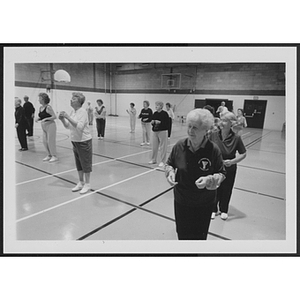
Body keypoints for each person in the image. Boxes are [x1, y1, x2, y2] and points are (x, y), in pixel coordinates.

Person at [165, 108, 226, 240]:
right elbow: (169, 164)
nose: (190, 131)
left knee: (199, 237)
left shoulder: (213, 149)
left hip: (204, 203)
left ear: (205, 130)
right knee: (182, 234)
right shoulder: (179, 146)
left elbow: (222, 173)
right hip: (182, 200)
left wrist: (209, 179)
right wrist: (169, 172)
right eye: (189, 126)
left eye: (195, 128)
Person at [209, 112, 247, 220]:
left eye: (225, 121)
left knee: (226, 189)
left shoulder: (236, 138)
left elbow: (243, 154)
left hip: (229, 168)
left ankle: (224, 209)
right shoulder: (213, 134)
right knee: (214, 187)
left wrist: (232, 161)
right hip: (215, 167)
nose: (221, 122)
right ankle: (213, 209)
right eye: (221, 120)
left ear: (232, 123)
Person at [59, 92, 93, 194]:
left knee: (85, 163)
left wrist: (67, 117)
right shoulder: (73, 112)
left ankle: (87, 184)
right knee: (78, 163)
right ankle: (81, 182)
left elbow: (79, 127)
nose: (71, 100)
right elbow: (68, 126)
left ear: (79, 102)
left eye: (73, 99)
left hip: (84, 141)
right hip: (75, 141)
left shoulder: (82, 112)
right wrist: (62, 119)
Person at [35, 93, 58, 162]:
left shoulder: (48, 107)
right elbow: (42, 116)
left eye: (39, 98)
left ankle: (54, 155)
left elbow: (54, 116)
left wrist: (46, 119)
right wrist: (38, 118)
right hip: (44, 126)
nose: (38, 100)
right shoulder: (40, 108)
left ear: (42, 99)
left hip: (50, 125)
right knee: (44, 141)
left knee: (50, 141)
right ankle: (49, 154)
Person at [149, 101, 169, 168]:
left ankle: (163, 161)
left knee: (163, 147)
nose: (156, 107)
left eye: (157, 105)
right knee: (154, 146)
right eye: (155, 105)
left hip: (162, 131)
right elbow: (152, 121)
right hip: (155, 131)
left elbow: (167, 123)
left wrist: (160, 122)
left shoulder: (165, 114)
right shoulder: (155, 113)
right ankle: (153, 159)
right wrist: (153, 122)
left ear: (161, 106)